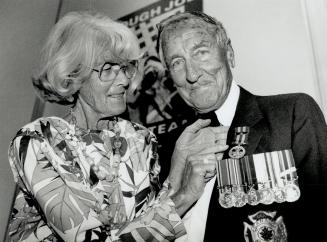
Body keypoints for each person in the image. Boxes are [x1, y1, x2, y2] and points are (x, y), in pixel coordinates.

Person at [7, 11, 228, 242]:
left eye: (125, 67)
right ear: (74, 75)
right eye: (108, 68)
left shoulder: (140, 139)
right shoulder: (39, 141)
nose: (124, 80)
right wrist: (185, 196)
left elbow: (153, 223)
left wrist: (178, 163)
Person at [157, 11, 327, 242]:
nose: (192, 74)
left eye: (201, 53)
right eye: (177, 63)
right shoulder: (166, 149)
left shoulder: (290, 115)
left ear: (229, 54)